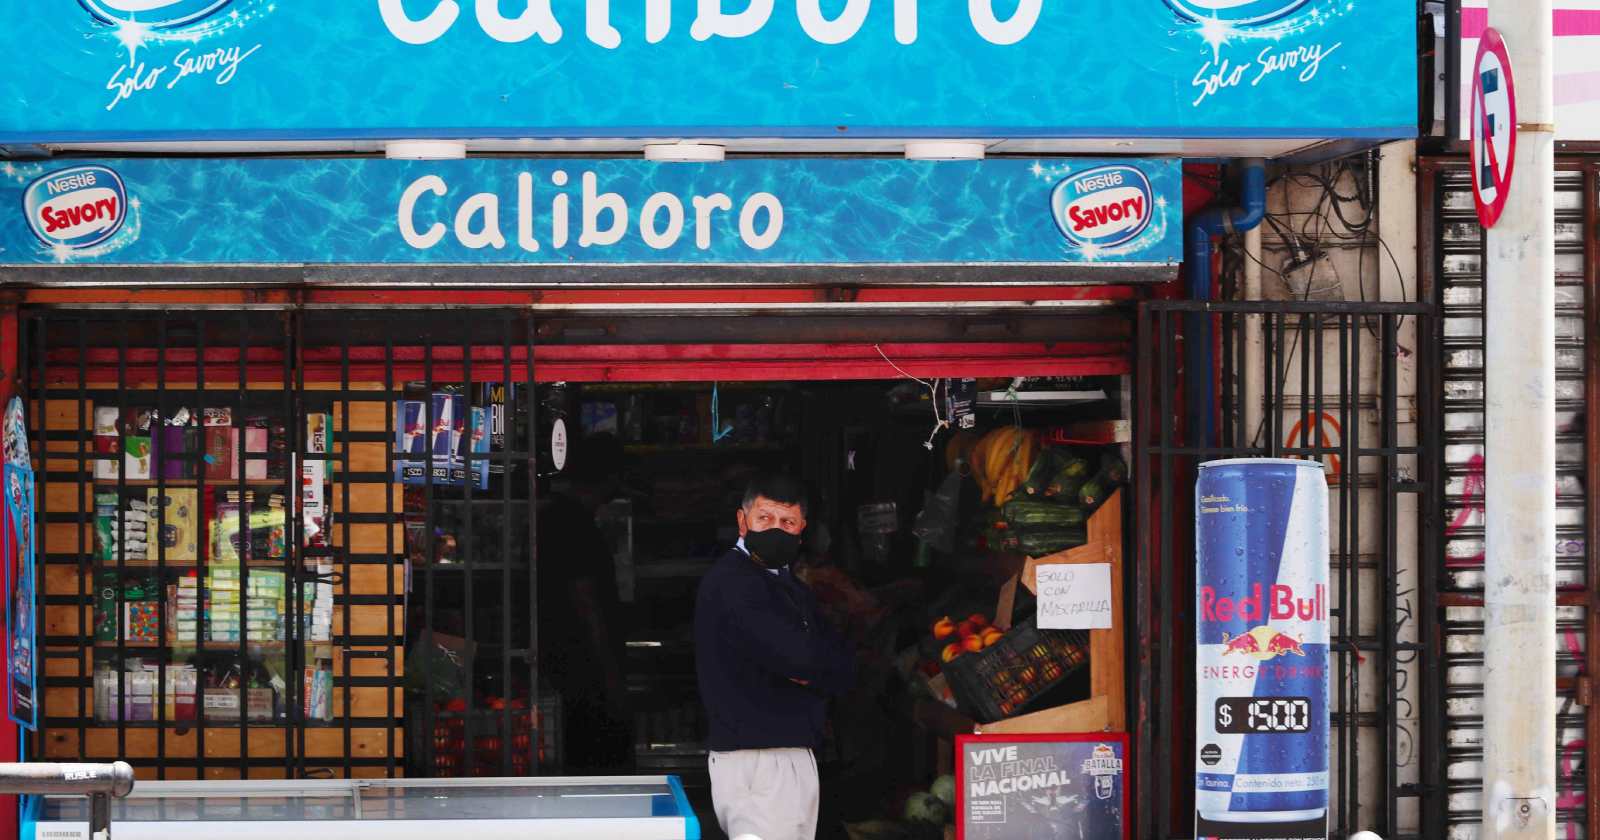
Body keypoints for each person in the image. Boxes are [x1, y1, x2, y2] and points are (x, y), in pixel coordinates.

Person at [694, 474, 856, 840]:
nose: (776, 530)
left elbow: (842, 664)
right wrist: (816, 666)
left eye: (787, 521)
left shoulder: (788, 585)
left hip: (783, 757)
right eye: (765, 518)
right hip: (759, 761)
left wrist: (818, 666)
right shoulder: (735, 582)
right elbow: (800, 659)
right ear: (743, 521)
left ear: (802, 528)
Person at [537, 432, 631, 773]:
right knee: (597, 758)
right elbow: (585, 600)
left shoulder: (555, 518)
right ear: (610, 477)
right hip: (583, 668)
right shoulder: (574, 524)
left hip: (563, 661)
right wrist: (609, 672)